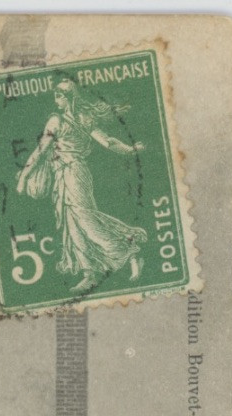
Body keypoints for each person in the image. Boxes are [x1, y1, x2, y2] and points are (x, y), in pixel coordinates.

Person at [15, 77, 148, 292]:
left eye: (58, 96)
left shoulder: (57, 121)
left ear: (64, 98)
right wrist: (130, 149)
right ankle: (90, 274)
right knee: (72, 223)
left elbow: (40, 152)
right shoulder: (83, 118)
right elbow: (108, 142)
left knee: (85, 219)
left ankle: (129, 253)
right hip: (67, 175)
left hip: (73, 173)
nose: (56, 100)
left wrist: (23, 177)